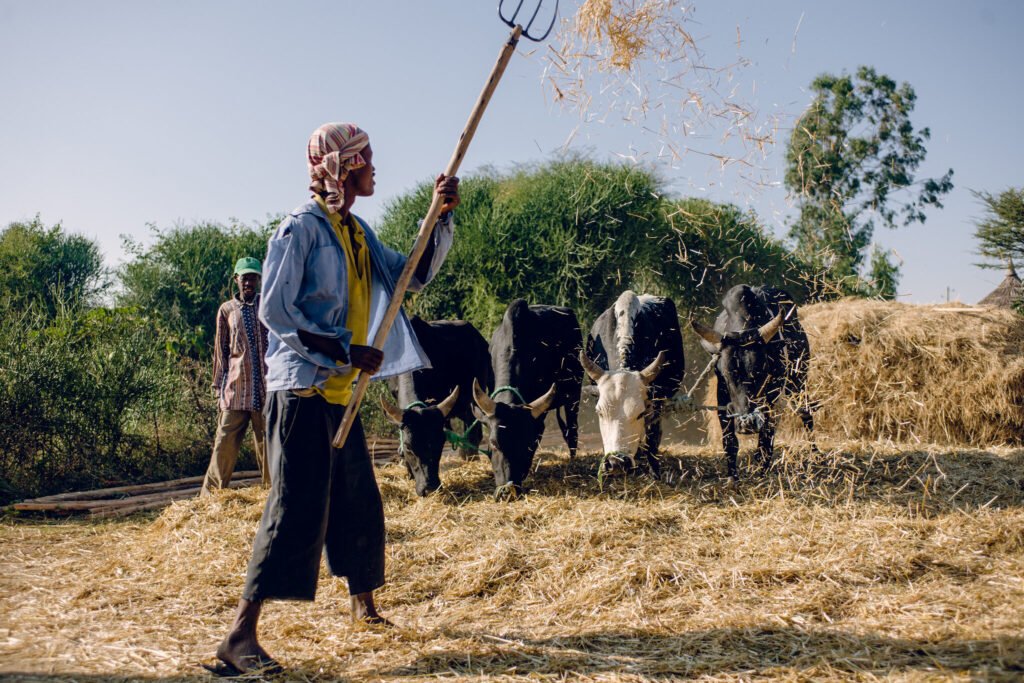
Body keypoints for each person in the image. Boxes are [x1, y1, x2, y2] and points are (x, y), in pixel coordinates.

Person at [211, 122, 460, 676]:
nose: (374, 167)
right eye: (366, 159)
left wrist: (439, 216)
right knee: (295, 508)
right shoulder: (299, 230)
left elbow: (409, 278)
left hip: (340, 395)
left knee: (357, 500)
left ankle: (363, 607)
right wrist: (344, 350)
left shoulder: (356, 232)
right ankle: (239, 637)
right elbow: (275, 311)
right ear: (343, 167)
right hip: (301, 390)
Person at [201, 256, 270, 496]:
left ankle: (272, 496)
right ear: (236, 280)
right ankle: (211, 498)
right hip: (235, 390)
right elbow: (221, 350)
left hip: (266, 390)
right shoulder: (226, 310)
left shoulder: (267, 305)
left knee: (269, 445)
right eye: (245, 278)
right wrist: (217, 385)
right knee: (224, 444)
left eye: (253, 278)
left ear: (259, 280)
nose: (249, 283)